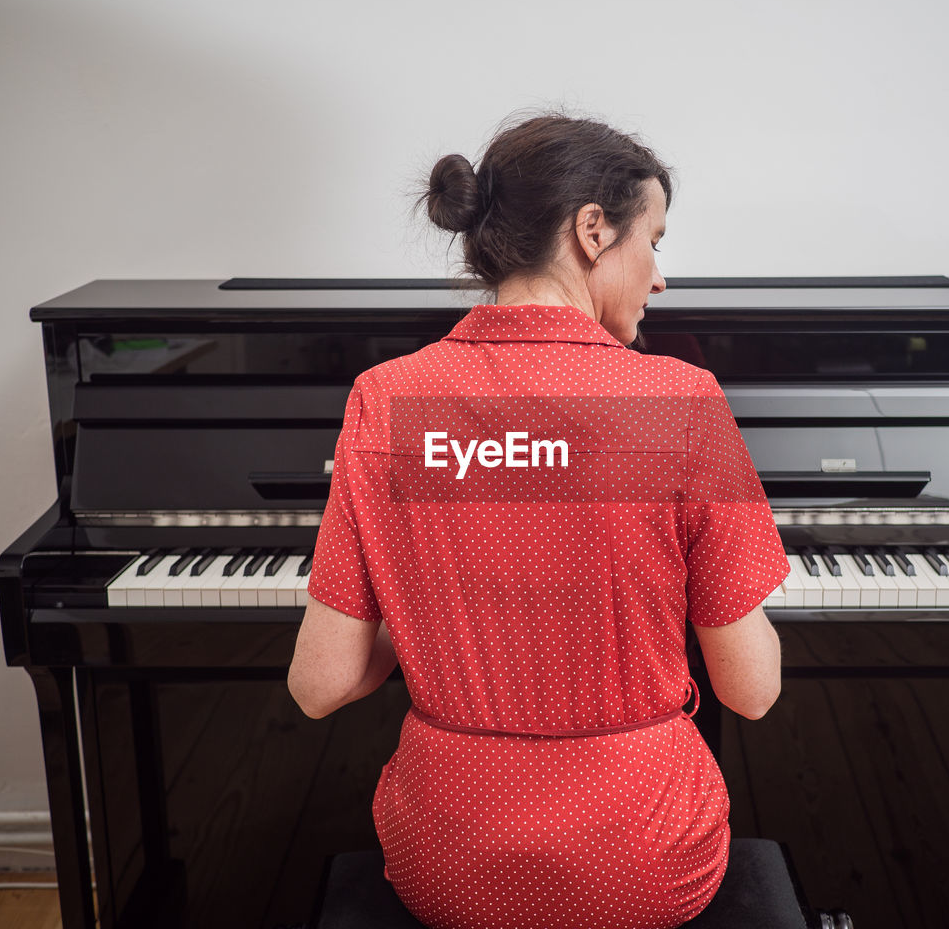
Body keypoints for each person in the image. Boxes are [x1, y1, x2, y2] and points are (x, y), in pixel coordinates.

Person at [287, 113, 789, 929]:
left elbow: (320, 684)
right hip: (643, 861)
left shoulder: (388, 399)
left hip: (444, 864)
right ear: (593, 229)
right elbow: (753, 690)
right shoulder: (681, 401)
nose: (660, 277)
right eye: (654, 240)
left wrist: (430, 614)